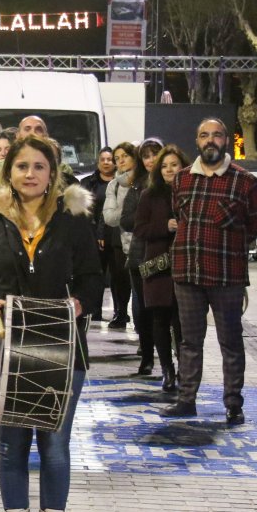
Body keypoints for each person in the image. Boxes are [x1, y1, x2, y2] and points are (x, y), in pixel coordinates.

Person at [0, 135, 101, 512]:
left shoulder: (73, 219)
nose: (30, 174)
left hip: (61, 349)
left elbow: (93, 277)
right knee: (13, 446)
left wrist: (80, 303)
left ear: (53, 172)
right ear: (10, 172)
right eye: (22, 166)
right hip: (4, 347)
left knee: (56, 449)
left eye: (39, 166)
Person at [162, 118, 257, 424]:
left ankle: (233, 403)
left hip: (227, 276)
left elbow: (255, 226)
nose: (210, 140)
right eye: (204, 135)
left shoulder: (244, 182)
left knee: (230, 341)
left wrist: (229, 243)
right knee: (189, 342)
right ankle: (186, 399)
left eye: (217, 135)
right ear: (196, 141)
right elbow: (180, 215)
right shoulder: (181, 179)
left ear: (226, 141)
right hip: (187, 274)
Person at [133, 144, 189, 392]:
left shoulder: (191, 191)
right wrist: (164, 226)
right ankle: (167, 369)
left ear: (183, 166)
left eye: (174, 165)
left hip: (184, 265)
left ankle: (185, 370)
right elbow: (140, 229)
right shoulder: (149, 194)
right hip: (157, 266)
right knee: (159, 319)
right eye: (164, 165)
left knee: (181, 322)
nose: (169, 169)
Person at [120, 138, 165, 375]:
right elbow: (125, 221)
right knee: (144, 310)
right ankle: (147, 357)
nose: (150, 160)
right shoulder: (136, 186)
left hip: (167, 257)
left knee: (165, 311)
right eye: (146, 156)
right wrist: (148, 219)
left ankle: (170, 362)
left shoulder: (173, 183)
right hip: (140, 256)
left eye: (155, 154)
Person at [101, 142, 139, 329]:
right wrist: (130, 210)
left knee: (142, 289)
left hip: (144, 241)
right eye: (117, 158)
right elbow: (109, 217)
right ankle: (121, 312)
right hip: (120, 239)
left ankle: (144, 333)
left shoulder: (145, 180)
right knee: (120, 279)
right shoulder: (114, 185)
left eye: (125, 155)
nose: (121, 160)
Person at [78, 147, 116, 321]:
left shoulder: (122, 182)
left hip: (115, 234)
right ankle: (95, 310)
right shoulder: (87, 183)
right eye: (103, 159)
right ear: (98, 161)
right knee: (96, 274)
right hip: (92, 235)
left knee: (118, 275)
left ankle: (120, 312)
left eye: (110, 159)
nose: (106, 162)